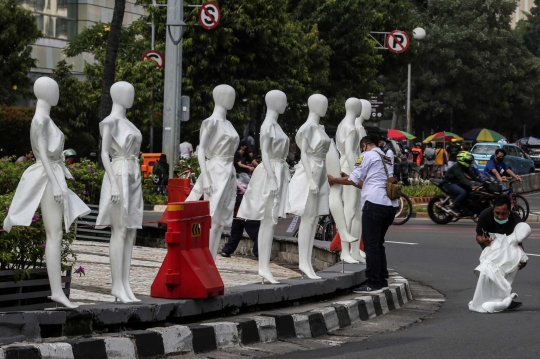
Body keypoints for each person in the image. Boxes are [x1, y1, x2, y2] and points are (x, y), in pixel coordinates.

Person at [328, 134, 397, 294]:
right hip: (390, 205)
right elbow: (368, 182)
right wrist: (347, 178)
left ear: (364, 145)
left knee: (371, 244)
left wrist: (335, 180)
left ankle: (373, 283)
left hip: (374, 204)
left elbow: (353, 180)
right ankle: (382, 279)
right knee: (378, 243)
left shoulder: (366, 155)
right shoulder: (386, 157)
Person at [475, 195, 526, 310]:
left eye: (503, 214)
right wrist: (483, 241)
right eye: (497, 213)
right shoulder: (485, 216)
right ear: (493, 209)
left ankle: (502, 299)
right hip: (489, 244)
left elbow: (519, 242)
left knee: (505, 270)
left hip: (508, 246)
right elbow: (478, 236)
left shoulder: (516, 220)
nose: (500, 216)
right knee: (493, 269)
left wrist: (522, 258)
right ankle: (502, 299)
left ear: (510, 211)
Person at [469, 222, 530, 313]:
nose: (524, 235)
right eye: (522, 231)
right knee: (488, 286)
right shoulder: (499, 239)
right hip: (487, 270)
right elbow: (485, 255)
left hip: (501, 280)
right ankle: (505, 301)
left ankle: (502, 301)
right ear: (516, 230)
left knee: (500, 292)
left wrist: (505, 283)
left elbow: (511, 275)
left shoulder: (520, 254)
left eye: (526, 235)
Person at [441, 151, 482, 217]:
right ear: (463, 160)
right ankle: (453, 207)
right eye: (468, 160)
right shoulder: (457, 167)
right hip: (449, 183)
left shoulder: (464, 166)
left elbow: (472, 175)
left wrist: (482, 180)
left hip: (456, 182)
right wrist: (470, 185)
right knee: (462, 192)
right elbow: (461, 177)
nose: (470, 162)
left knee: (470, 192)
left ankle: (464, 207)